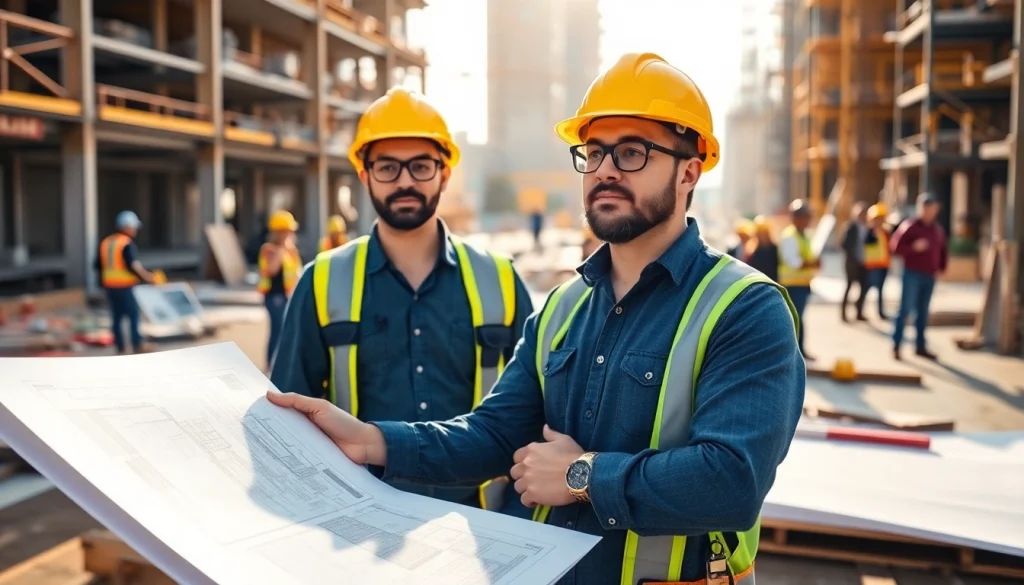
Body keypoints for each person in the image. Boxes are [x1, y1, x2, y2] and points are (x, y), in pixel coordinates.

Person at [268, 52, 805, 585]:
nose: (606, 171)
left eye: (632, 153)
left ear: (690, 171)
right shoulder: (562, 308)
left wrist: (583, 476)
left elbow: (733, 482)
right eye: (593, 153)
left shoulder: (744, 307)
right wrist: (370, 441)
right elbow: (495, 433)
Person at [270, 87, 535, 513]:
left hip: (481, 522)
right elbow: (288, 421)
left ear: (444, 174)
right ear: (365, 175)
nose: (406, 181)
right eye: (389, 168)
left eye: (421, 166)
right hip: (360, 520)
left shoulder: (499, 278)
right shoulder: (322, 280)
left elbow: (536, 415)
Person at [890, 192, 947, 360]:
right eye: (927, 208)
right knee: (905, 310)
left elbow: (943, 250)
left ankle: (920, 346)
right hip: (912, 274)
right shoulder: (910, 226)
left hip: (929, 275)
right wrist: (913, 248)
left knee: (923, 311)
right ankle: (897, 345)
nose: (930, 211)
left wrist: (942, 267)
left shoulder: (937, 230)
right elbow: (895, 247)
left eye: (932, 208)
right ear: (921, 208)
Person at [96, 210, 157, 355]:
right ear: (127, 226)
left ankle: (120, 346)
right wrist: (148, 277)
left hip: (110, 286)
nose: (135, 230)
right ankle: (137, 343)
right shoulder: (126, 243)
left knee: (116, 317)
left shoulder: (106, 242)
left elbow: (97, 265)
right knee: (133, 315)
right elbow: (133, 265)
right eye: (133, 227)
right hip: (124, 286)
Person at [257, 210, 302, 368]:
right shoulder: (269, 250)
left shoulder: (291, 249)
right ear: (279, 232)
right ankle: (270, 367)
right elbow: (272, 270)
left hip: (287, 296)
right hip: (274, 296)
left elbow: (297, 273)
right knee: (277, 332)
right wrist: (281, 250)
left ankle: (282, 366)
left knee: (287, 333)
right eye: (287, 231)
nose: (290, 233)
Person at [778, 198, 820, 361]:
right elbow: (794, 262)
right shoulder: (790, 236)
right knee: (795, 320)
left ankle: (798, 351)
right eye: (806, 217)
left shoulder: (804, 236)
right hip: (792, 284)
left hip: (803, 284)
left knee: (799, 319)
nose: (808, 220)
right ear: (797, 218)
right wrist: (812, 263)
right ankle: (795, 353)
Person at [841, 202, 869, 322]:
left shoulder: (868, 228)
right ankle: (843, 313)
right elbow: (844, 244)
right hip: (852, 263)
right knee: (849, 287)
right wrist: (853, 256)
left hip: (865, 263)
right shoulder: (850, 227)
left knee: (864, 288)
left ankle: (859, 311)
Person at [863, 203, 892, 319]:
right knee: (868, 288)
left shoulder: (885, 232)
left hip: (884, 264)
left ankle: (880, 311)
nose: (879, 221)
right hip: (873, 265)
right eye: (877, 219)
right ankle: (860, 308)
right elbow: (867, 243)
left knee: (880, 290)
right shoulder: (869, 232)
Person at [745, 215, 779, 282]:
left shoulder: (775, 249)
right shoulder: (752, 252)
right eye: (760, 232)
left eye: (764, 232)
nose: (762, 235)